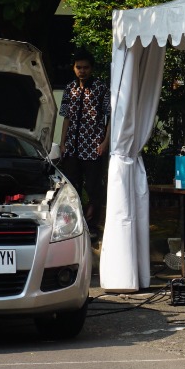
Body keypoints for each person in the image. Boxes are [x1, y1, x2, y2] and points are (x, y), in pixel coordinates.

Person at [57, 54, 110, 237]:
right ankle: (72, 224)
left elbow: (109, 116)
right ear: (73, 68)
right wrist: (63, 142)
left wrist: (105, 141)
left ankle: (93, 226)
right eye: (78, 67)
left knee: (94, 187)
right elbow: (66, 117)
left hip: (93, 146)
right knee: (71, 187)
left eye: (85, 67)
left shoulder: (101, 88)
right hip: (72, 146)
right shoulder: (70, 88)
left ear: (91, 68)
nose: (82, 71)